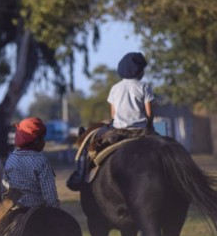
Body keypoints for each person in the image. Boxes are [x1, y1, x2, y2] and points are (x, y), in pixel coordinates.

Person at [66, 51, 155, 191]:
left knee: (91, 146)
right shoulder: (144, 86)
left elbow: (113, 114)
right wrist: (150, 127)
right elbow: (149, 113)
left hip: (118, 131)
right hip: (141, 131)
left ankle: (80, 174)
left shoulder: (115, 88)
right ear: (140, 71)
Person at [2, 117, 60, 209]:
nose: (44, 142)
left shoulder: (11, 159)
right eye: (43, 139)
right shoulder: (41, 161)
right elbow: (50, 195)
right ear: (36, 141)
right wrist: (55, 210)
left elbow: (4, 186)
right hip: (36, 212)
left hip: (14, 210)